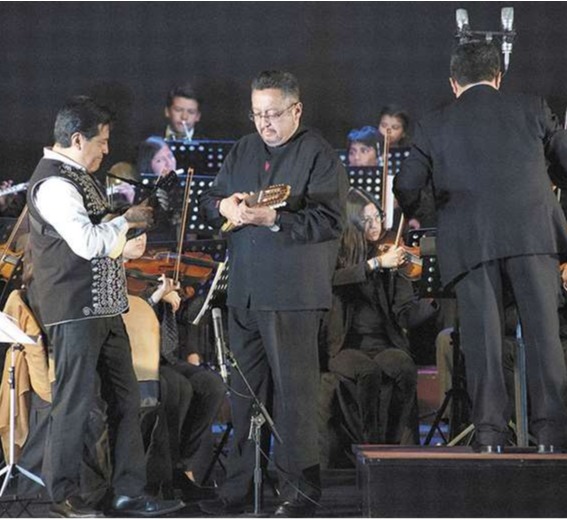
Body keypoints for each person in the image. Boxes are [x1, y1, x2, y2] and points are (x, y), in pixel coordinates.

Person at [394, 41, 567, 453]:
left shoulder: (433, 125)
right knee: (545, 337)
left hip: (470, 242)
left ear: (454, 83)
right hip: (533, 236)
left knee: (484, 344)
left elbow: (406, 186)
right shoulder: (533, 107)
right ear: (498, 76)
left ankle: (490, 435)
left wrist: (429, 207)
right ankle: (552, 435)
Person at [26, 95, 184, 517]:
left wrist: (125, 238)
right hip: (76, 310)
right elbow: (88, 243)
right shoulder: (56, 183)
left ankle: (127, 490)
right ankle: (62, 494)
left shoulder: (82, 177)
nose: (107, 149)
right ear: (77, 140)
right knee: (74, 403)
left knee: (125, 401)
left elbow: (103, 239)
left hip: (108, 308)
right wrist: (126, 222)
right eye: (102, 141)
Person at [199, 70, 348, 517]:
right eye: (258, 113)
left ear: (296, 110)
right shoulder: (244, 149)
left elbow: (330, 222)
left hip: (292, 295)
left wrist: (274, 220)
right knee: (245, 397)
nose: (265, 122)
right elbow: (213, 201)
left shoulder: (318, 155)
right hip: (244, 292)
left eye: (274, 113)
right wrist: (222, 206)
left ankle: (299, 490)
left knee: (294, 398)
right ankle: (241, 485)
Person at [320, 188, 437, 452]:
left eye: (378, 217)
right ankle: (369, 446)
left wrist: (432, 299)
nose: (377, 226)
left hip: (383, 343)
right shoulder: (337, 256)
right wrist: (375, 264)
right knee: (368, 372)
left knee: (404, 367)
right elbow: (333, 280)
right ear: (352, 223)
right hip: (346, 346)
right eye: (367, 220)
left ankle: (395, 446)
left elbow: (405, 311)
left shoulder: (392, 256)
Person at [123, 231, 226, 498]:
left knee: (210, 385)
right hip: (134, 360)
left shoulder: (154, 273)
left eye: (144, 235)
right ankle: (160, 475)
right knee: (177, 387)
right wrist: (156, 296)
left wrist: (192, 298)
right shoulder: (113, 273)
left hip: (165, 357)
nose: (141, 242)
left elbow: (185, 321)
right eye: (132, 235)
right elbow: (126, 316)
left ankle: (183, 465)